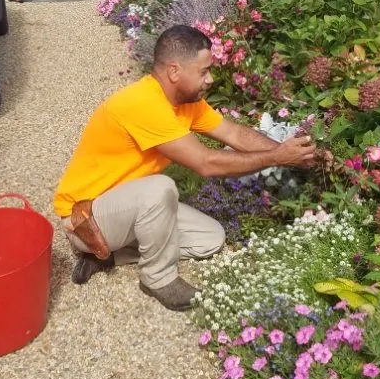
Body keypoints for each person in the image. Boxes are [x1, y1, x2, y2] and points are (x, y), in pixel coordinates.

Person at [53, 25, 317, 311]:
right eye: (204, 71)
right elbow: (206, 163)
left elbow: (236, 135)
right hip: (85, 217)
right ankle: (157, 278)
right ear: (174, 72)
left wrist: (295, 151)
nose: (210, 79)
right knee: (160, 189)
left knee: (210, 238)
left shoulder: (186, 102)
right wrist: (277, 157)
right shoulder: (143, 103)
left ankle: (105, 255)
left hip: (125, 209)